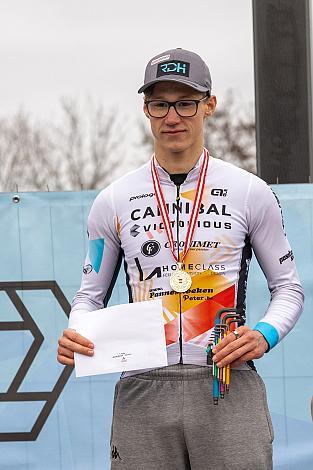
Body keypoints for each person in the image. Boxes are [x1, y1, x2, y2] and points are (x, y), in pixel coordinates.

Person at [57, 48, 304, 469]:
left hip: (226, 379)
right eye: (160, 104)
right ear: (146, 110)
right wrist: (77, 331)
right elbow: (88, 295)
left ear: (209, 105)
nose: (173, 117)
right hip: (143, 385)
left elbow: (288, 288)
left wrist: (263, 334)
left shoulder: (250, 191)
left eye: (186, 102)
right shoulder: (112, 200)